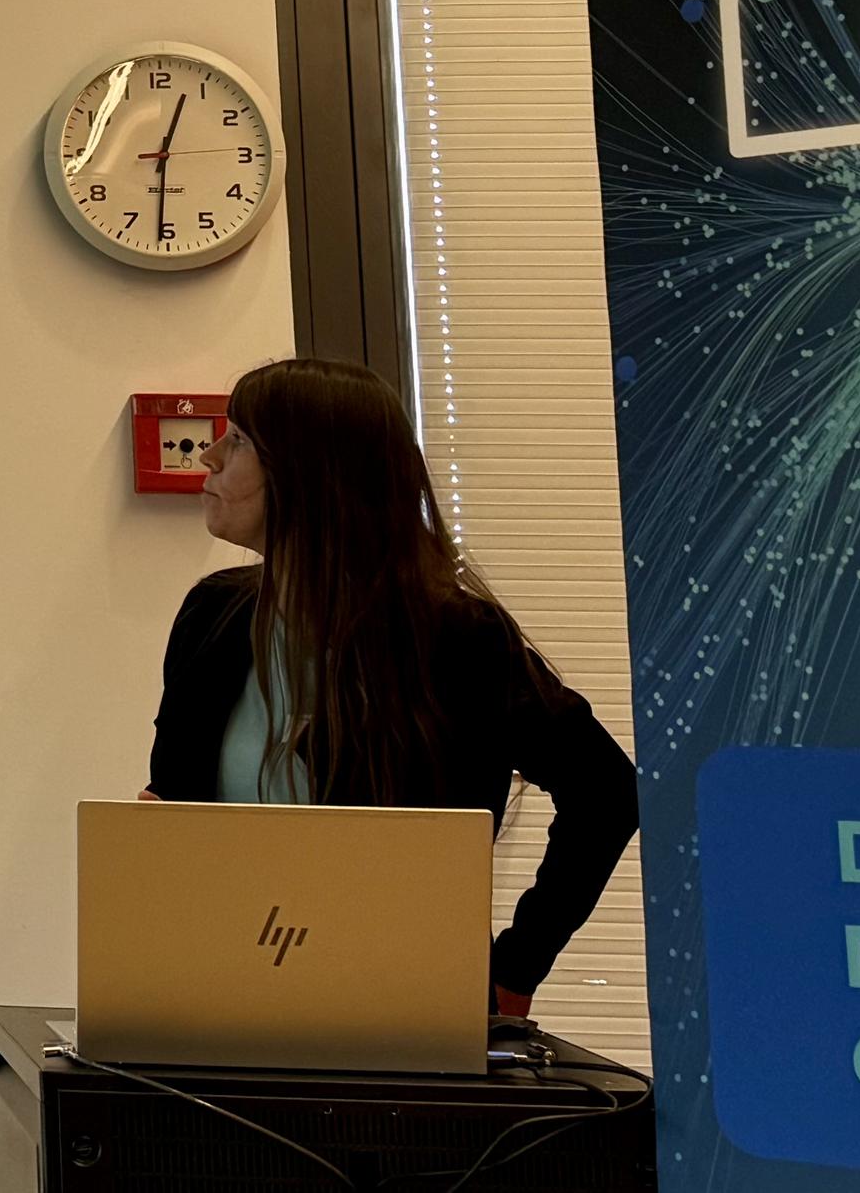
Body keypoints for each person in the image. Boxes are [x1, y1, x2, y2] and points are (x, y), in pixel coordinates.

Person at [146, 357, 638, 1017]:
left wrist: (516, 968)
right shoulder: (212, 613)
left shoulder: (457, 635)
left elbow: (606, 794)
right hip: (220, 994)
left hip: (405, 1013)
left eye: (236, 441)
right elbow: (174, 811)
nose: (208, 457)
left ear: (309, 475)